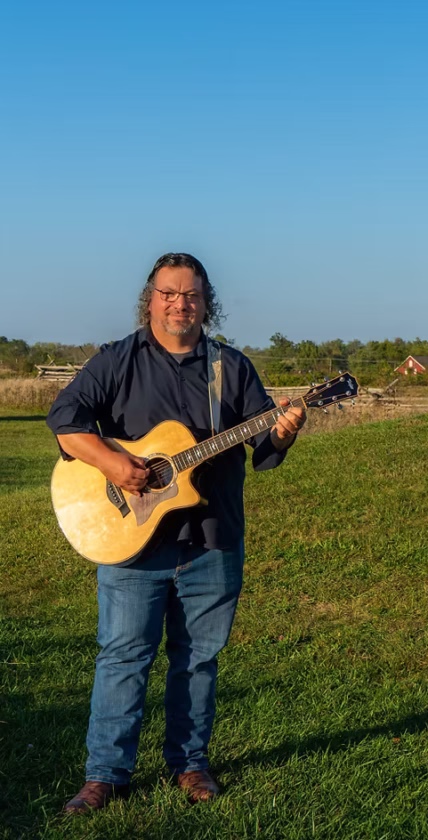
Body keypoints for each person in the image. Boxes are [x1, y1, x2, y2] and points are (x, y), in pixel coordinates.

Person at [46, 253, 306, 814]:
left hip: (212, 539)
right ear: (151, 298)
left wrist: (283, 431)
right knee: (122, 656)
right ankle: (105, 776)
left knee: (199, 659)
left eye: (190, 295)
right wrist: (117, 466)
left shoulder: (230, 368)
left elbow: (264, 449)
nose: (179, 303)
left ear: (206, 302)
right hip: (130, 541)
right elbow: (65, 420)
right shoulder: (117, 360)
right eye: (168, 293)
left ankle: (190, 765)